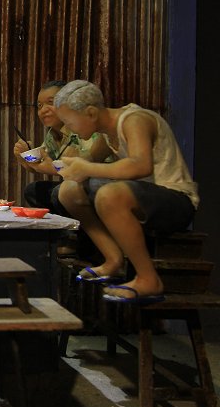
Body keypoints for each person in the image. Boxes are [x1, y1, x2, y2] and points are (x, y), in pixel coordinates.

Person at [54, 80, 199, 303]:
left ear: (91, 113)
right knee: (69, 191)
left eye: (68, 121)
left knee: (109, 194)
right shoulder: (105, 134)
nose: (67, 128)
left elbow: (141, 166)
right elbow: (88, 164)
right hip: (143, 198)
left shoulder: (134, 120)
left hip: (176, 199)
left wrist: (87, 168)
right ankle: (113, 258)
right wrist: (69, 166)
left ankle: (149, 279)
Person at [13, 80, 112, 213]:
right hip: (77, 182)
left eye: (50, 102)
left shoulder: (84, 127)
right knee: (34, 190)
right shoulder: (52, 134)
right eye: (39, 105)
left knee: (59, 192)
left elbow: (83, 167)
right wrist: (24, 157)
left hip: (100, 181)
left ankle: (79, 230)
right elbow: (40, 164)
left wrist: (53, 168)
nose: (43, 110)